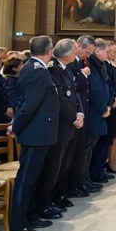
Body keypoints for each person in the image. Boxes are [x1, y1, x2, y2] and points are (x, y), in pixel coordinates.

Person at [9, 36, 59, 231]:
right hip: (35, 133)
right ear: (49, 51)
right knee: (26, 180)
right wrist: (15, 127)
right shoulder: (36, 71)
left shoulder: (35, 68)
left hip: (41, 132)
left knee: (35, 178)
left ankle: (31, 215)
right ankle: (19, 224)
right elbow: (29, 104)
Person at [38, 39, 83, 217]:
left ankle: (58, 195)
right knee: (54, 166)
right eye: (74, 52)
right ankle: (47, 200)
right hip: (61, 124)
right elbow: (61, 98)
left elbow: (74, 92)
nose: (77, 55)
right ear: (67, 55)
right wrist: (73, 117)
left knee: (64, 163)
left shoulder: (67, 68)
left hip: (70, 123)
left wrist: (80, 114)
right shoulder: (53, 69)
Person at [67, 35, 101, 198]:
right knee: (74, 153)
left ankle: (80, 180)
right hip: (73, 114)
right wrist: (82, 74)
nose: (87, 56)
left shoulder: (81, 62)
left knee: (82, 150)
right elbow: (72, 86)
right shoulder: (71, 64)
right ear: (78, 46)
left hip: (82, 111)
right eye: (86, 52)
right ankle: (73, 184)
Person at [87, 40, 113, 183]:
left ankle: (99, 171)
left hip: (104, 110)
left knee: (102, 143)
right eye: (107, 52)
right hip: (95, 112)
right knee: (93, 146)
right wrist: (103, 108)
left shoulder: (101, 65)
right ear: (97, 51)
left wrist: (108, 105)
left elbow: (107, 86)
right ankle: (92, 175)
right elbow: (95, 89)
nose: (108, 55)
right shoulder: (92, 65)